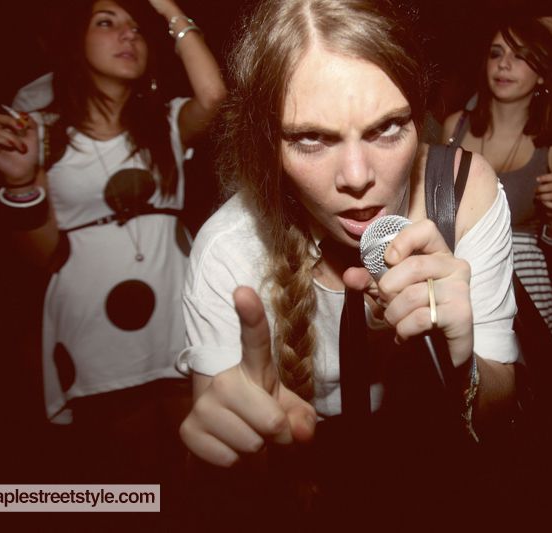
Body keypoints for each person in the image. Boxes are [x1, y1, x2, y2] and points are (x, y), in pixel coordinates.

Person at [177, 0, 518, 526]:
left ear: (419, 116)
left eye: (388, 128)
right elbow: (227, 463)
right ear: (268, 145)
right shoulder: (229, 249)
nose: (357, 176)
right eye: (311, 138)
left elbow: (497, 416)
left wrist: (461, 361)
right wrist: (239, 453)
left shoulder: (462, 194)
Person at [0, 0, 225, 488]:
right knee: (135, 472)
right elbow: (44, 254)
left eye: (135, 27)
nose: (128, 34)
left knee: (202, 459)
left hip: (173, 309)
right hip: (96, 323)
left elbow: (215, 96)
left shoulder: (165, 122)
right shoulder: (42, 134)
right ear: (75, 42)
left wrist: (169, 11)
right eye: (106, 23)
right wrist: (21, 181)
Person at [443, 15, 552, 344]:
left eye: (519, 55)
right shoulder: (454, 128)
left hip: (524, 286)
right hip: (457, 277)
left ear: (542, 72)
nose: (503, 64)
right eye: (496, 53)